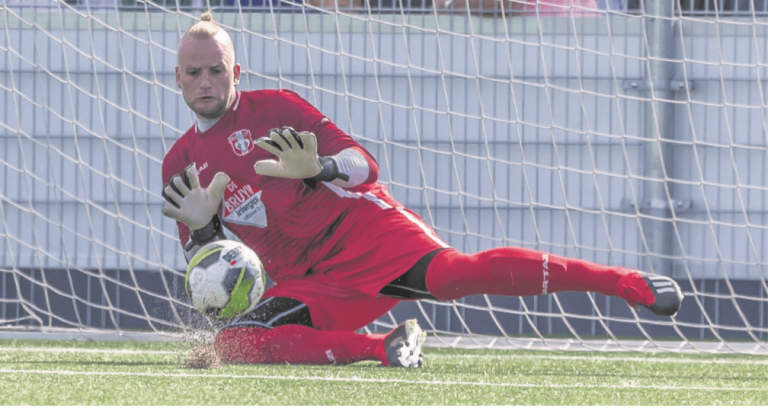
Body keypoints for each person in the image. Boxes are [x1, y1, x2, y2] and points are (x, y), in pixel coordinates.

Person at [161, 12, 683, 368]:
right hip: (311, 281)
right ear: (178, 79)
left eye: (217, 70)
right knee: (233, 344)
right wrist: (206, 229)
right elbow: (212, 285)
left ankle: (624, 282)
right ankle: (384, 349)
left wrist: (320, 168)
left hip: (366, 234)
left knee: (456, 276)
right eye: (195, 73)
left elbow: (366, 165)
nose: (207, 81)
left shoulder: (278, 107)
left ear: (236, 72)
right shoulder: (179, 164)